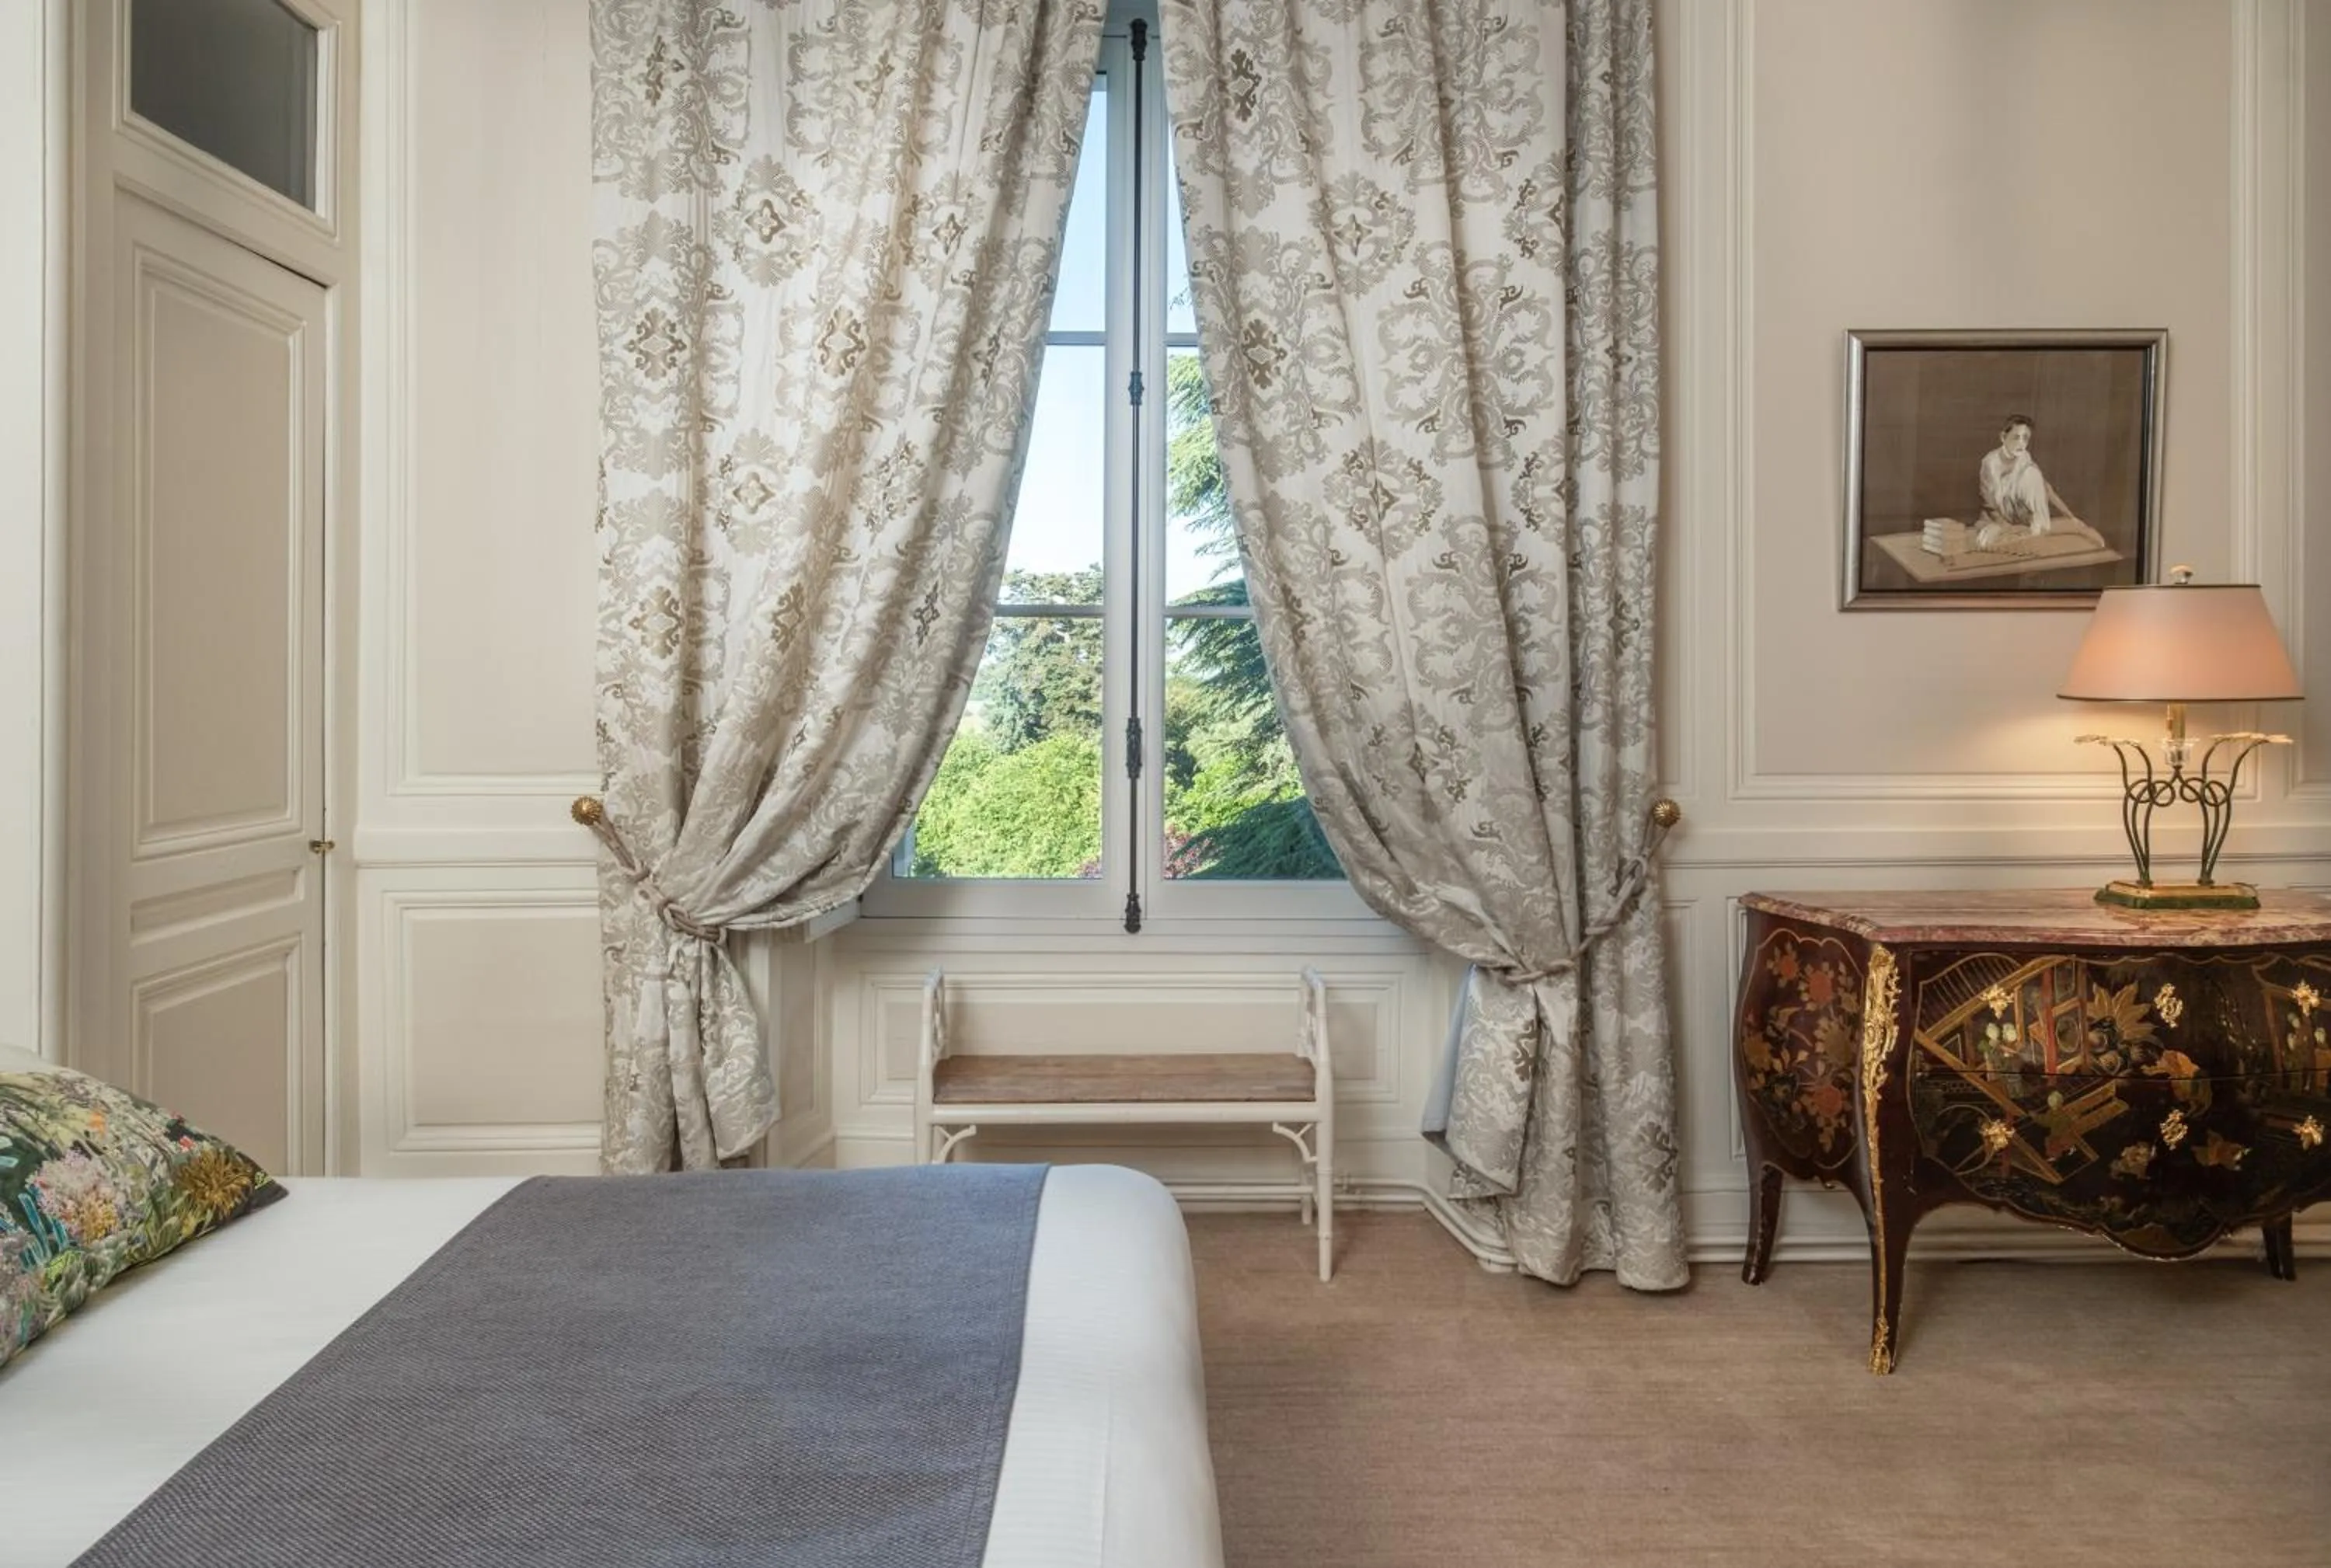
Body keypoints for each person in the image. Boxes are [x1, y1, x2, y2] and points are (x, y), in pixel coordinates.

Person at [1974, 414, 2054, 547]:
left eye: (2026, 438)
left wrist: (2071, 517)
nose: (2022, 444)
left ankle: (2038, 527)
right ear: (2003, 437)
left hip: (2018, 517)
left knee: (2033, 474)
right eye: (2016, 438)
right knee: (1990, 540)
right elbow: (1989, 504)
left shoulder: (2024, 457)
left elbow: (2046, 488)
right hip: (1996, 517)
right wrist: (2006, 527)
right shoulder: (1990, 463)